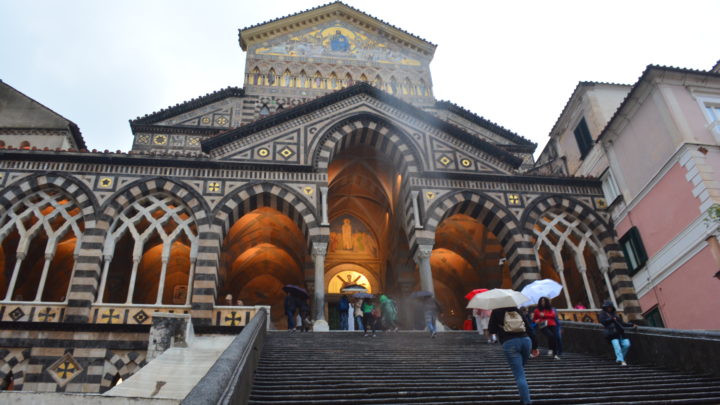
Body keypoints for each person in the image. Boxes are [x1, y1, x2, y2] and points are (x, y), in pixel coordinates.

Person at [488, 306, 533, 405]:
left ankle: (527, 401)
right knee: (520, 370)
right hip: (526, 341)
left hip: (510, 343)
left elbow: (491, 330)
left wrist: (500, 325)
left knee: (519, 374)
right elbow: (528, 327)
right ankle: (523, 398)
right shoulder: (516, 309)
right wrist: (535, 346)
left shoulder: (496, 310)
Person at [599, 300, 637, 366]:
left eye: (610, 307)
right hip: (612, 334)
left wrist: (631, 324)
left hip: (620, 334)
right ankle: (622, 361)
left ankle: (619, 359)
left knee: (627, 344)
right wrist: (611, 319)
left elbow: (622, 323)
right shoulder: (603, 314)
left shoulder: (615, 315)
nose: (609, 308)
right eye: (608, 307)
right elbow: (603, 322)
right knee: (617, 347)